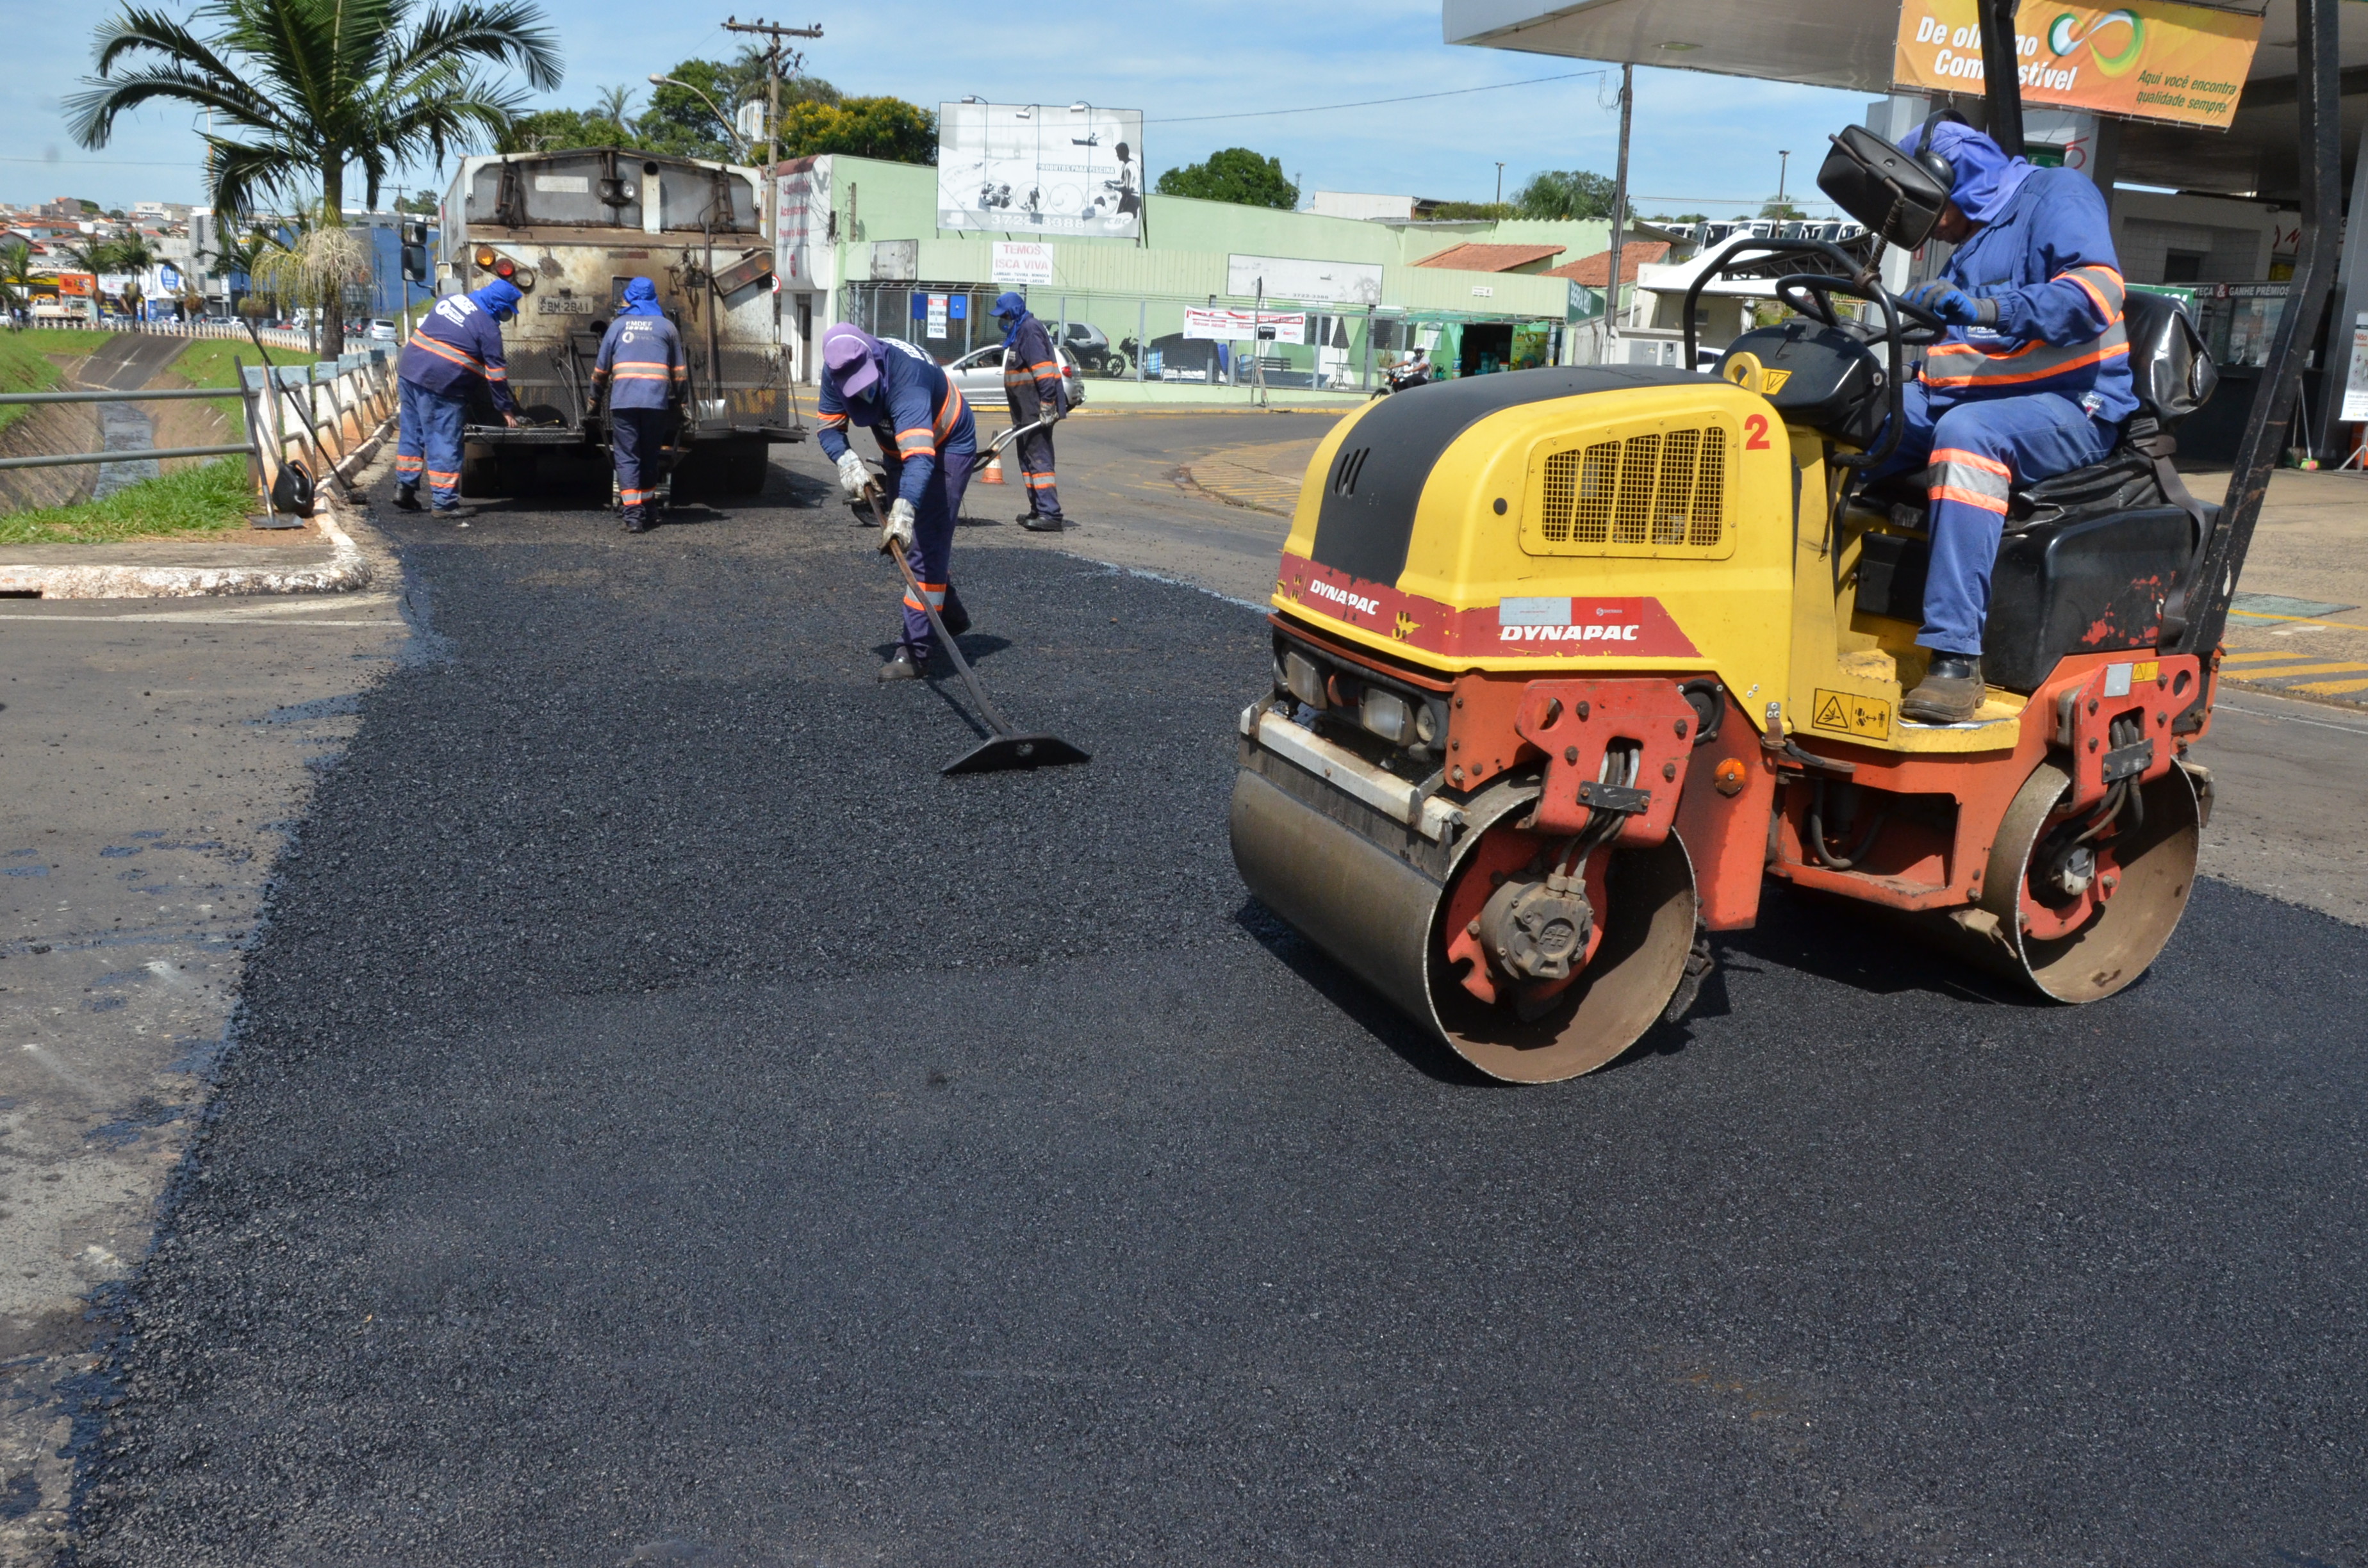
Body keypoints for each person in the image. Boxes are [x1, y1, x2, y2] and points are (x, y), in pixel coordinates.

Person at [1871, 116, 2135, 723]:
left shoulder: (2059, 196)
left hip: (2072, 405)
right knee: (1851, 418)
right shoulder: (1973, 236)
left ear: (1956, 176)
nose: (1931, 225)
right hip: (1967, 396)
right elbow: (1961, 349)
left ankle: (1955, 657)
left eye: (1930, 205)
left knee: (1968, 438)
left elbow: (2095, 297)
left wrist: (1991, 308)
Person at [815, 323, 978, 681]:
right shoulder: (834, 369)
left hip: (947, 444)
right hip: (898, 449)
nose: (865, 393)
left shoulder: (908, 378)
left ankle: (915, 653)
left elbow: (920, 457)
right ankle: (948, 615)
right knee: (912, 544)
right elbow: (828, 428)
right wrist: (847, 462)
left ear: (874, 360)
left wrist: (904, 510)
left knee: (923, 545)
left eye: (867, 384)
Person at [394, 278, 522, 518]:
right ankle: (444, 504)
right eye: (508, 309)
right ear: (498, 304)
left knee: (412, 432)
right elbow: (496, 374)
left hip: (410, 371)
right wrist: (505, 409)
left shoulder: (449, 300)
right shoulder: (488, 328)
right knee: (443, 440)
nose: (508, 314)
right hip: (442, 384)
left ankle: (404, 489)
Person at [589, 277, 686, 534]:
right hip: (655, 403)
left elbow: (600, 371)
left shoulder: (617, 327)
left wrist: (594, 402)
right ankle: (650, 510)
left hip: (624, 403)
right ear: (654, 298)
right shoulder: (667, 328)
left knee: (627, 457)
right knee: (649, 456)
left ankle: (633, 516)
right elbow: (679, 374)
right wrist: (683, 405)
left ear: (630, 297)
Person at [990, 291, 1068, 532]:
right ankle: (1038, 509)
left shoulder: (1030, 329)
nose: (1002, 321)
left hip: (1036, 409)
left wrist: (1047, 405)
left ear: (1013, 312)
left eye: (1004, 315)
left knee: (1039, 459)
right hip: (1025, 411)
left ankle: (1050, 514)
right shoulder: (1019, 331)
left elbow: (1043, 372)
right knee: (1026, 459)